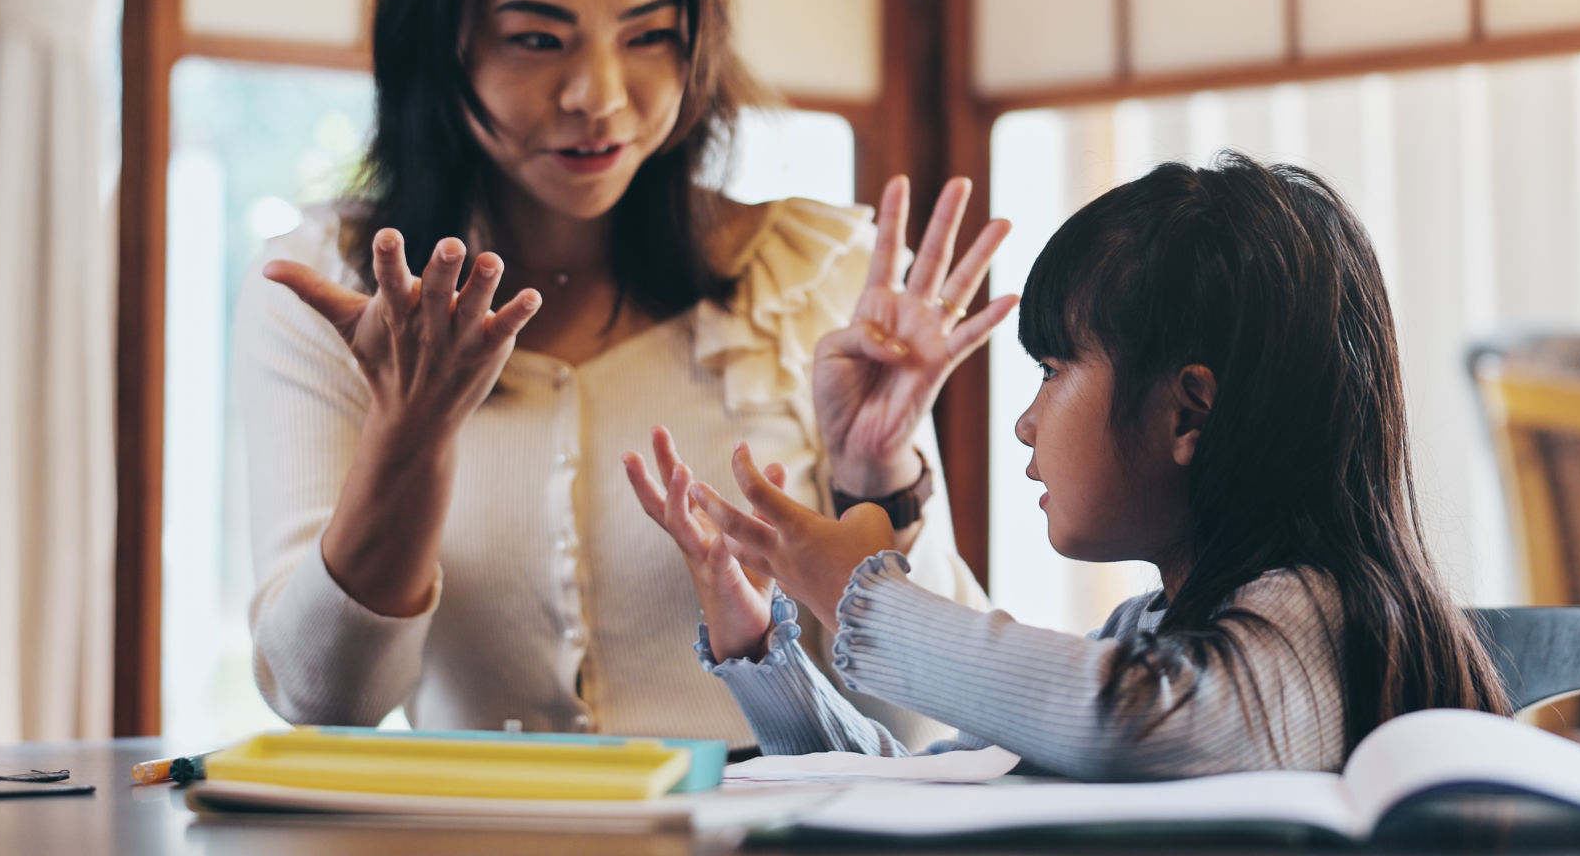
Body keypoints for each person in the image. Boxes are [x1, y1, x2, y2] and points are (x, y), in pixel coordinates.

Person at [233, 0, 1005, 747]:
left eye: (648, 36)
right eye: (537, 40)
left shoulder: (811, 281)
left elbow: (924, 726)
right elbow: (324, 701)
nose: (599, 97)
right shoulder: (334, 289)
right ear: (443, 40)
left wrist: (878, 481)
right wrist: (409, 435)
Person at [627, 153, 1510, 780]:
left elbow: (1132, 723)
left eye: (1053, 372)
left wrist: (860, 593)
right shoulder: (1152, 629)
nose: (1023, 422)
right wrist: (762, 651)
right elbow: (924, 789)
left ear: (1188, 411)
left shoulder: (1322, 617)